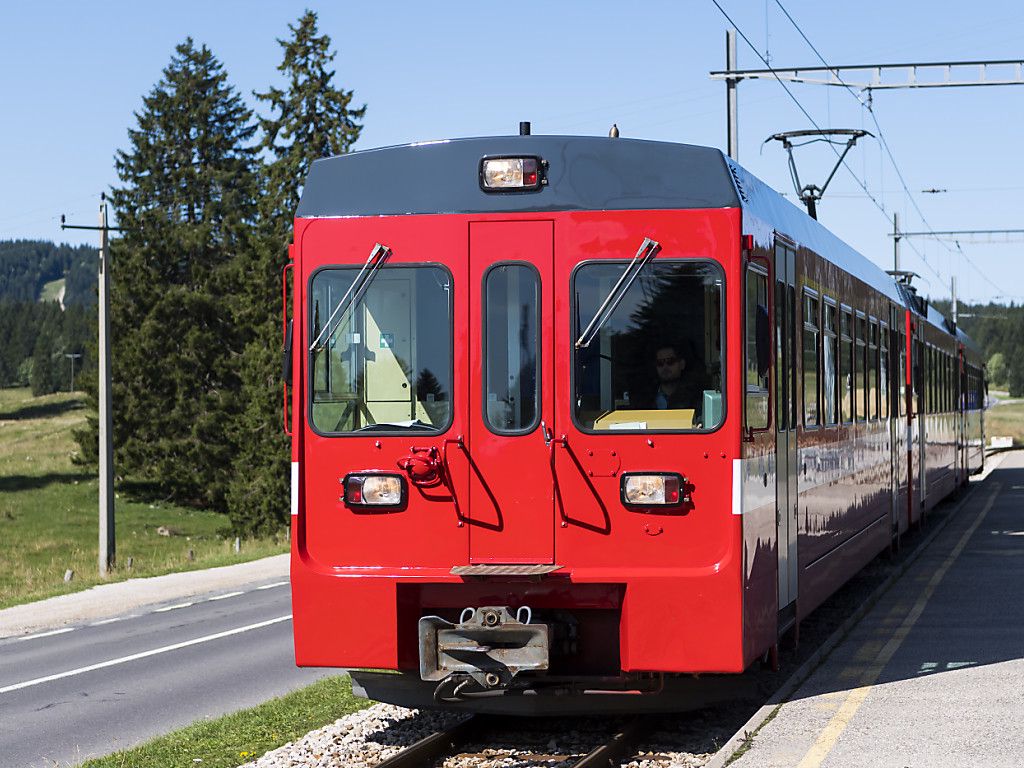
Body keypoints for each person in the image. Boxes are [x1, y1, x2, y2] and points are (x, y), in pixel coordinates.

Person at [650, 343, 704, 424]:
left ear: (682, 364)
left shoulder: (696, 397)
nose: (665, 367)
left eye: (670, 361)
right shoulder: (646, 397)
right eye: (660, 363)